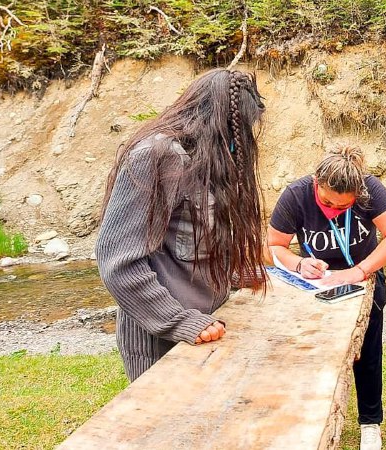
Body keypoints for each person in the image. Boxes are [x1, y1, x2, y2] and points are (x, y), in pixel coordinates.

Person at [96, 69, 267, 381]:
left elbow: (189, 237)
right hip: (161, 341)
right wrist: (178, 321)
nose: (242, 141)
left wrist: (232, 274)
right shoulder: (156, 156)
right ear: (218, 122)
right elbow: (118, 262)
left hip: (206, 327)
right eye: (240, 130)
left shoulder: (206, 159)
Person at [266, 145, 386, 450]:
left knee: (368, 354)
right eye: (328, 202)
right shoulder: (296, 195)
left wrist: (359, 271)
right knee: (314, 355)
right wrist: (299, 264)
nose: (333, 210)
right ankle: (314, 419)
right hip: (316, 287)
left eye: (344, 207)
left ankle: (370, 424)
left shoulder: (370, 188)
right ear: (316, 181)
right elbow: (274, 246)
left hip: (364, 282)